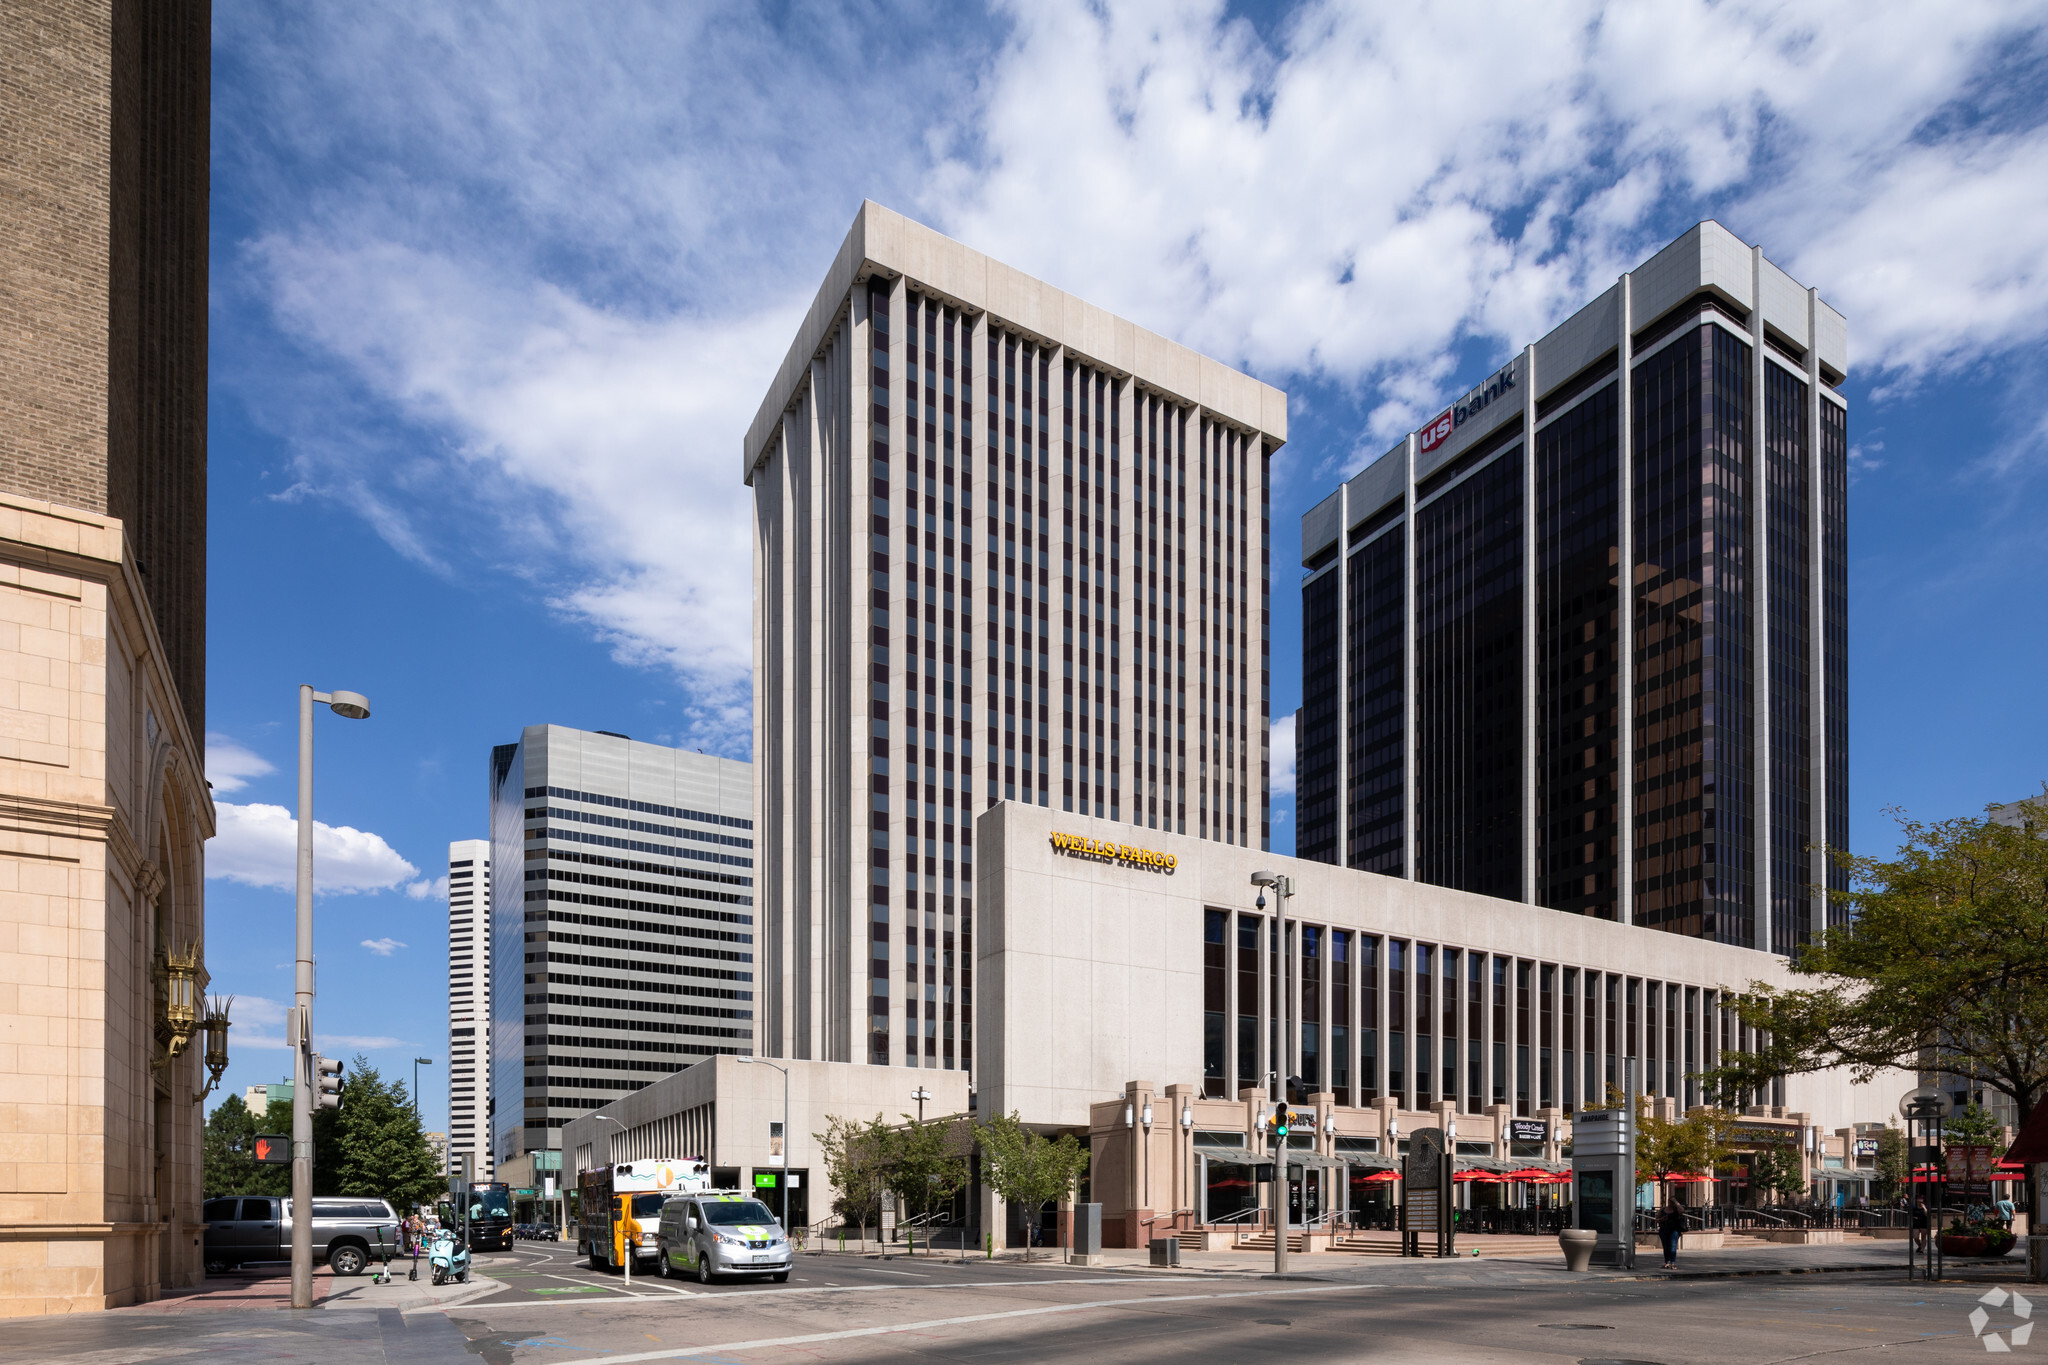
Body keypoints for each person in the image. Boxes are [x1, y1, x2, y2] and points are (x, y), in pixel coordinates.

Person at [1657, 1199, 1686, 1271]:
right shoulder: (1663, 1209)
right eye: (1670, 1201)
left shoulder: (1677, 1210)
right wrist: (1662, 1219)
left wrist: (1677, 1203)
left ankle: (1673, 1263)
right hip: (1664, 1230)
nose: (1671, 1203)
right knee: (1666, 1246)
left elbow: (1682, 1211)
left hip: (1674, 1230)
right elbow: (1657, 1219)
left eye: (1672, 1202)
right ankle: (1667, 1262)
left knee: (1673, 1246)